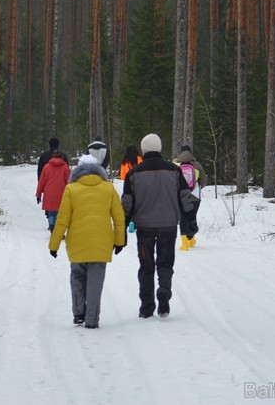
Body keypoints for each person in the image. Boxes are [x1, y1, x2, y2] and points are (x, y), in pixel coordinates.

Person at [122, 133, 199, 319]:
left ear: (144, 150)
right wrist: (191, 219)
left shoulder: (134, 173)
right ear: (160, 148)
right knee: (165, 263)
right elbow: (185, 196)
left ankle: (147, 307)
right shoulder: (174, 170)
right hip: (168, 226)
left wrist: (121, 227)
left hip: (144, 227)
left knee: (146, 266)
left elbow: (127, 203)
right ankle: (164, 290)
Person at [48, 155, 126, 329]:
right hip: (101, 244)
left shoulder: (71, 189)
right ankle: (91, 319)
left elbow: (62, 220)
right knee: (95, 282)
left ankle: (78, 313)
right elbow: (119, 217)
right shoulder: (108, 188)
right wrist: (119, 241)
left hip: (77, 243)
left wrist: (54, 245)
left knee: (77, 277)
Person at [174, 144, 207, 251]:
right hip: (195, 195)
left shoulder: (176, 164)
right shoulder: (197, 165)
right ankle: (192, 239)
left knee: (183, 217)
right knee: (192, 216)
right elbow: (204, 182)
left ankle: (184, 244)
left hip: (181, 195)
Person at [36, 150, 71, 232]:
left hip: (49, 193)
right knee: (60, 213)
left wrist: (38, 194)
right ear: (62, 157)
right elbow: (69, 182)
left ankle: (52, 226)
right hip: (61, 193)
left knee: (51, 212)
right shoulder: (65, 167)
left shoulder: (47, 167)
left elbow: (41, 181)